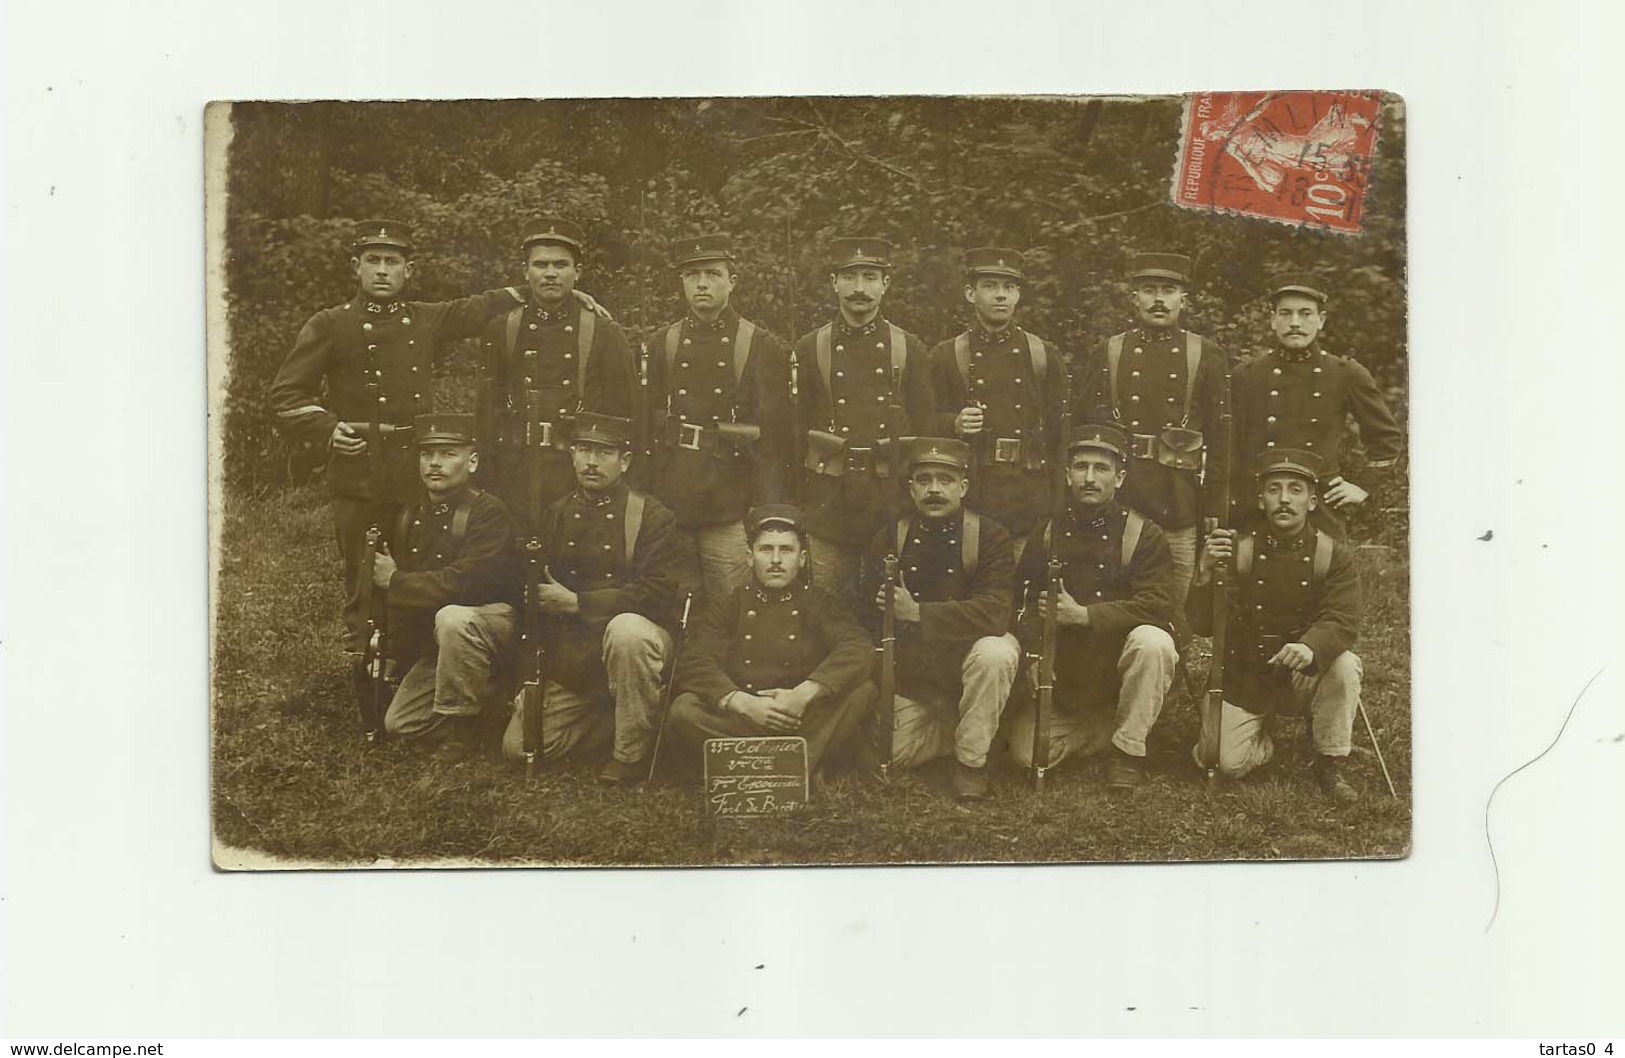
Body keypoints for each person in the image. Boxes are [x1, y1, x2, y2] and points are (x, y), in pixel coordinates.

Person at [267, 220, 525, 656]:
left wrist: (553, 291)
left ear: (409, 269)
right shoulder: (331, 324)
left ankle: (412, 664)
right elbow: (286, 395)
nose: (382, 270)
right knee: (366, 573)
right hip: (361, 473)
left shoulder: (424, 318)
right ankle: (366, 672)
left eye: (392, 261)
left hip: (417, 472)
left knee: (416, 566)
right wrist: (330, 431)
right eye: (373, 261)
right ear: (357, 267)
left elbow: (480, 306)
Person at [497, 413, 687, 784]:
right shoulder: (555, 514)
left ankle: (630, 752)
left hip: (636, 644)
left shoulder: (651, 516)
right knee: (520, 748)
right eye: (583, 450)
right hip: (576, 660)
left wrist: (579, 603)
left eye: (604, 453)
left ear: (625, 461)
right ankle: (624, 719)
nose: (591, 462)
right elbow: (534, 609)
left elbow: (658, 594)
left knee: (627, 630)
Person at [1007, 421, 1178, 790]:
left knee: (1154, 642)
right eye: (1081, 467)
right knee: (1027, 755)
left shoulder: (1142, 533)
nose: (1089, 478)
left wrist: (1085, 615)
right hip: (1067, 673)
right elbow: (1020, 599)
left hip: (1119, 665)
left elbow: (1160, 605)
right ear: (1067, 474)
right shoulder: (1048, 530)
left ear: (1118, 478)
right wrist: (1035, 653)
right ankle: (1106, 729)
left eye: (1101, 469)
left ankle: (1129, 752)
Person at [1188, 448, 1364, 802]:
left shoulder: (1333, 554)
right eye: (1274, 489)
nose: (1284, 499)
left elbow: (1343, 619)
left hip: (1302, 670)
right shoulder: (1238, 549)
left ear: (1313, 501)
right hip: (1246, 674)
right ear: (1260, 498)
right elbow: (1203, 625)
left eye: (1295, 490)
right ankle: (1260, 738)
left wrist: (1310, 646)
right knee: (1220, 762)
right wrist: (1205, 574)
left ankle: (1329, 760)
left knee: (1344, 665)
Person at [859, 437, 1018, 801]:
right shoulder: (890, 537)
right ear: (910, 488)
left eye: (945, 480)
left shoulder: (989, 536)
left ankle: (971, 763)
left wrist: (918, 612)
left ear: (963, 487)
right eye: (924, 479)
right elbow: (865, 613)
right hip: (918, 676)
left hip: (972, 664)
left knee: (997, 652)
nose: (934, 489)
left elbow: (996, 612)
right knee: (892, 757)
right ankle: (964, 727)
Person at [665, 505, 875, 779]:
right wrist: (742, 703)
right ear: (750, 557)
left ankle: (754, 764)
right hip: (744, 717)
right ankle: (799, 763)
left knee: (863, 692)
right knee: (684, 711)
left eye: (786, 550)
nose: (776, 560)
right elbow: (695, 660)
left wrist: (803, 695)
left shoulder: (819, 603)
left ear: (801, 559)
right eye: (766, 550)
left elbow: (858, 648)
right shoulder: (730, 605)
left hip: (801, 716)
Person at [1074, 252, 1228, 616]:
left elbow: (1222, 442)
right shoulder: (1109, 352)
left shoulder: (1206, 354)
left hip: (1176, 499)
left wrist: (1213, 509)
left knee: (1172, 604)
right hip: (1119, 499)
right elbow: (1085, 429)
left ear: (1183, 299)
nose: (1159, 299)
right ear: (1134, 298)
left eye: (1169, 290)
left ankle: (1171, 668)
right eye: (1149, 289)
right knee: (1111, 596)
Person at [645, 233, 791, 603]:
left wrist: (764, 512)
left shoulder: (760, 345)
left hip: (730, 501)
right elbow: (645, 425)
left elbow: (774, 439)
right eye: (692, 275)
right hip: (673, 498)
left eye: (712, 273)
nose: (703, 284)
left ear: (732, 281)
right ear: (681, 282)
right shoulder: (663, 343)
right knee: (673, 600)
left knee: (733, 601)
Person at [792, 237, 934, 602]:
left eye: (870, 277)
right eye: (850, 277)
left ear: (886, 284)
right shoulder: (810, 348)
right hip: (829, 505)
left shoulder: (910, 348)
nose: (859, 289)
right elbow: (794, 432)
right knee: (824, 605)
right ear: (833, 282)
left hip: (891, 503)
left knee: (889, 608)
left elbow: (925, 430)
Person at [374, 414, 521, 762]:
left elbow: (467, 583)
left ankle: (462, 732)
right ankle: (489, 707)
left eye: (448, 454)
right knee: (401, 724)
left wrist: (396, 581)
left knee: (453, 617)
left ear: (472, 461)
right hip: (446, 641)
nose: (435, 464)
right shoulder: (412, 513)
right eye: (427, 455)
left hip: (495, 630)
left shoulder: (488, 512)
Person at [477, 217, 637, 535]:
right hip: (514, 473)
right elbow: (486, 411)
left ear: (578, 272)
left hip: (578, 476)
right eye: (541, 265)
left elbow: (626, 414)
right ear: (526, 272)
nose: (551, 273)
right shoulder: (501, 329)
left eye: (561, 265)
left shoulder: (604, 333)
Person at [1230, 274, 1403, 540]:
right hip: (1258, 510)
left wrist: (1361, 487)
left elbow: (1386, 440)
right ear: (1273, 320)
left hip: (1321, 509)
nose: (1295, 323)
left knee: (1326, 577)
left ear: (1321, 320)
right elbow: (1229, 447)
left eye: (1305, 314)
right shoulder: (1247, 375)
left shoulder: (1345, 373)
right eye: (1285, 314)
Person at [929, 247, 1067, 564]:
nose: (1000, 296)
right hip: (972, 497)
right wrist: (954, 424)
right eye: (990, 286)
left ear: (1018, 294)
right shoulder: (946, 355)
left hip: (1028, 499)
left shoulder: (1043, 355)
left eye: (1009, 287)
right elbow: (924, 425)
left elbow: (1061, 435)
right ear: (970, 293)